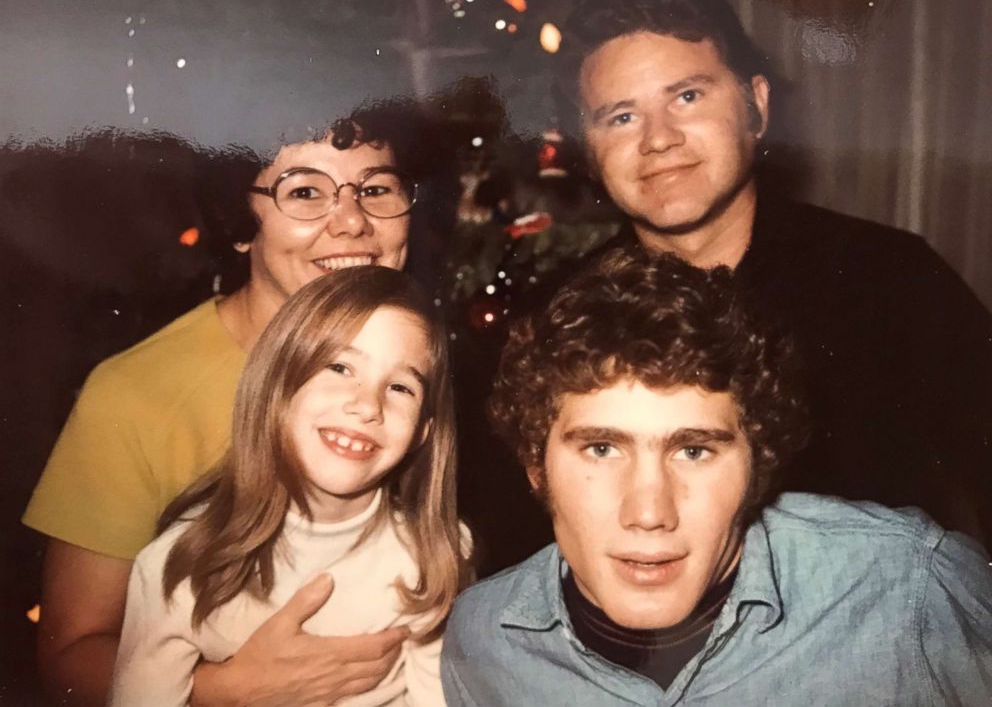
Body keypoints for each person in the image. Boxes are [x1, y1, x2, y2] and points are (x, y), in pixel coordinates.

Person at [22, 100, 453, 706]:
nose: (353, 223)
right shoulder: (138, 393)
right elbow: (68, 656)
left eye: (375, 188)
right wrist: (223, 692)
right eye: (305, 193)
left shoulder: (419, 368)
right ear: (241, 222)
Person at [551, 0, 992, 545]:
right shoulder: (562, 315)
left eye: (687, 96)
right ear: (588, 148)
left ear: (756, 105)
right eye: (621, 116)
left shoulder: (890, 280)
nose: (658, 139)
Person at [441, 249, 992, 706]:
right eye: (603, 449)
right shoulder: (485, 641)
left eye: (695, 451)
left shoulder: (910, 584)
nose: (650, 512)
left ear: (759, 463)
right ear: (536, 467)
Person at [110, 266, 470, 706]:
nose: (366, 405)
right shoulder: (180, 564)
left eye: (399, 387)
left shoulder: (431, 558)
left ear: (422, 431)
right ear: (277, 383)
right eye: (339, 366)